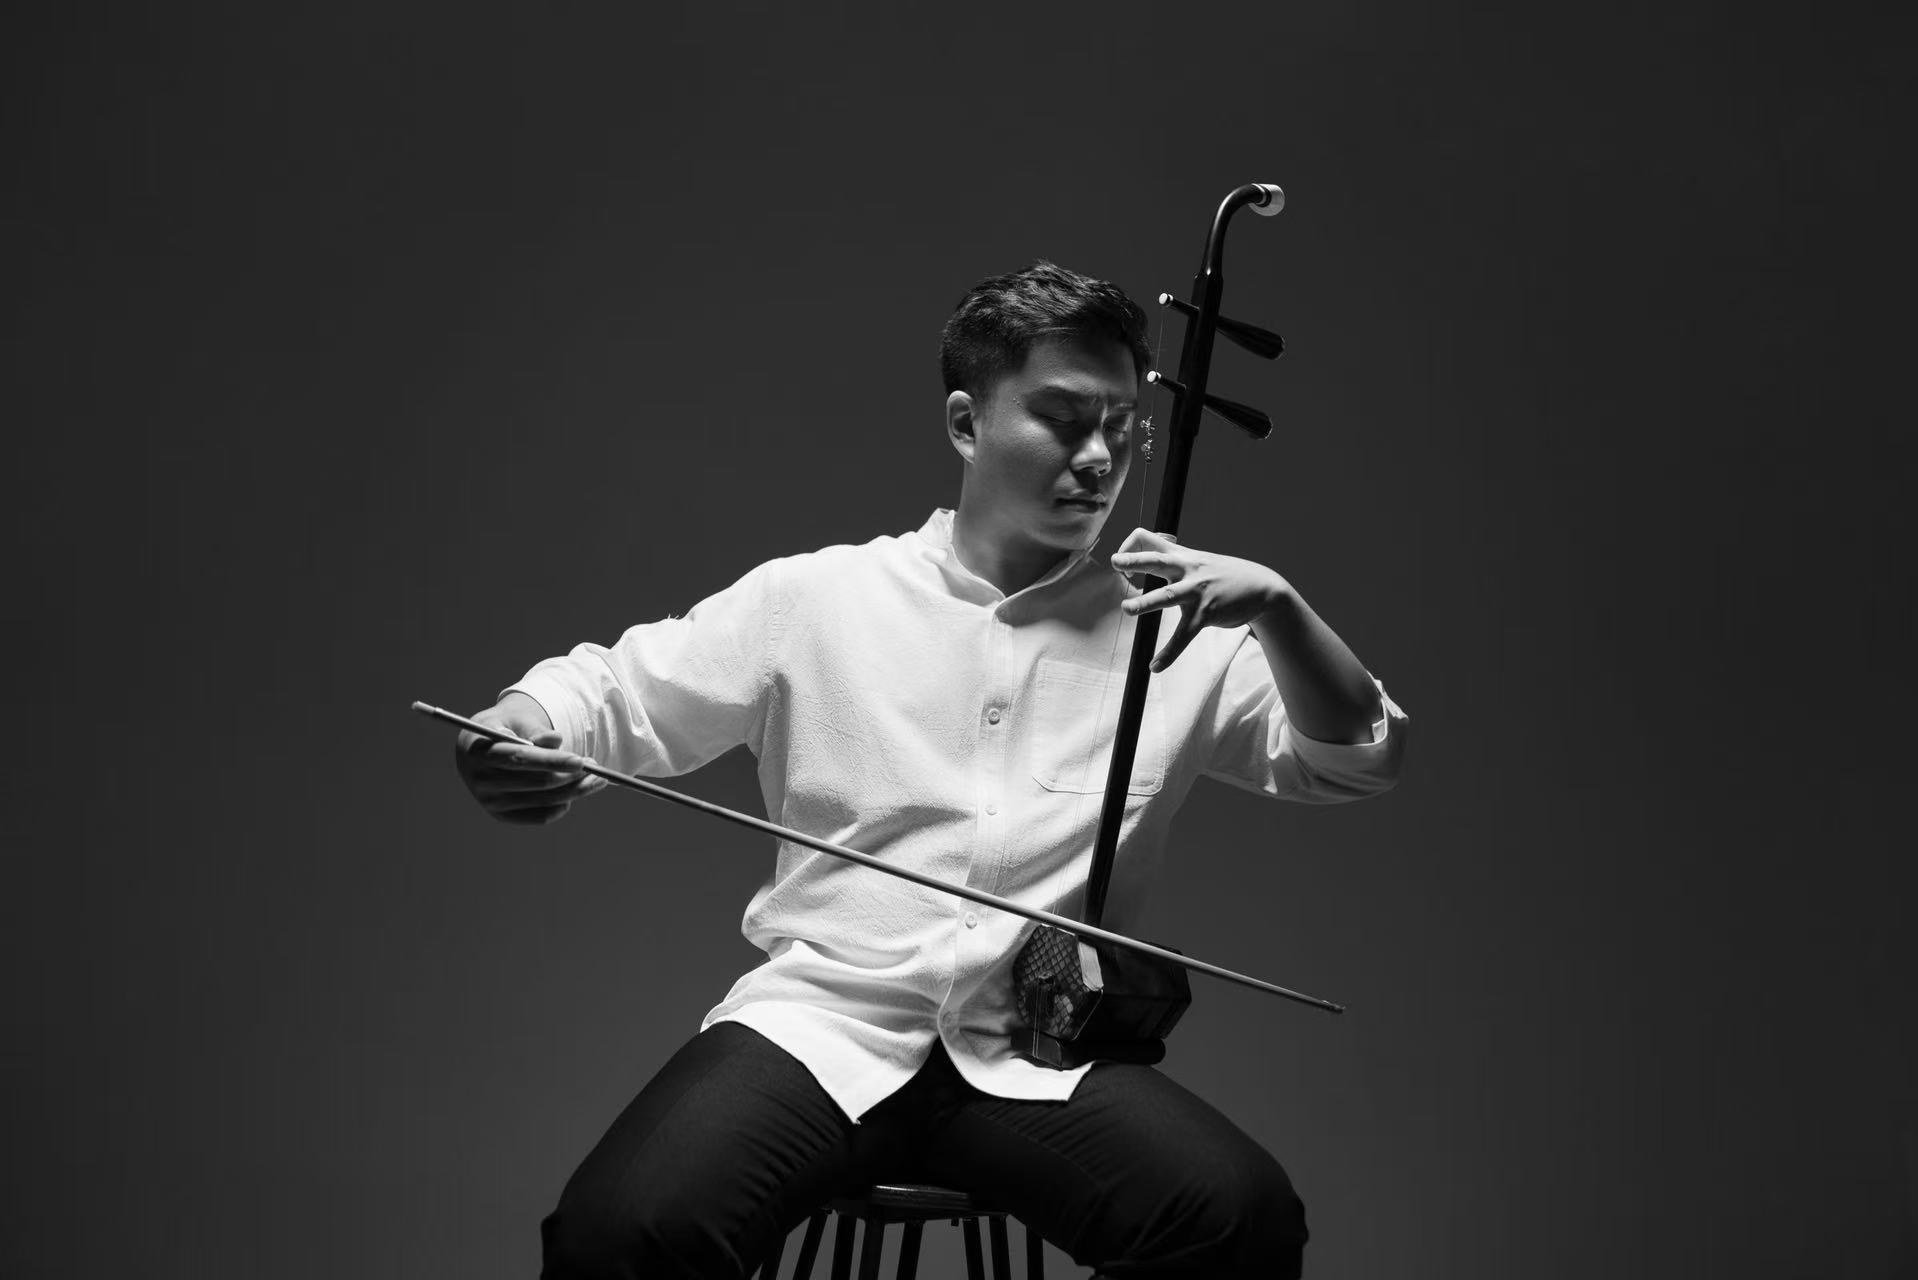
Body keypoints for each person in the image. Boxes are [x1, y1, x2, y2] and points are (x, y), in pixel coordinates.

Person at [454, 261, 1408, 1279]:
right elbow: (612, 692)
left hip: (1033, 1058)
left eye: (1122, 426)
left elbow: (1353, 757)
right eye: (1062, 418)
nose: (1098, 457)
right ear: (966, 423)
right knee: (621, 1229)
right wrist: (518, 726)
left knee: (1237, 1215)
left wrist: (1278, 607)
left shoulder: (1172, 629)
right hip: (820, 1030)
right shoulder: (820, 597)